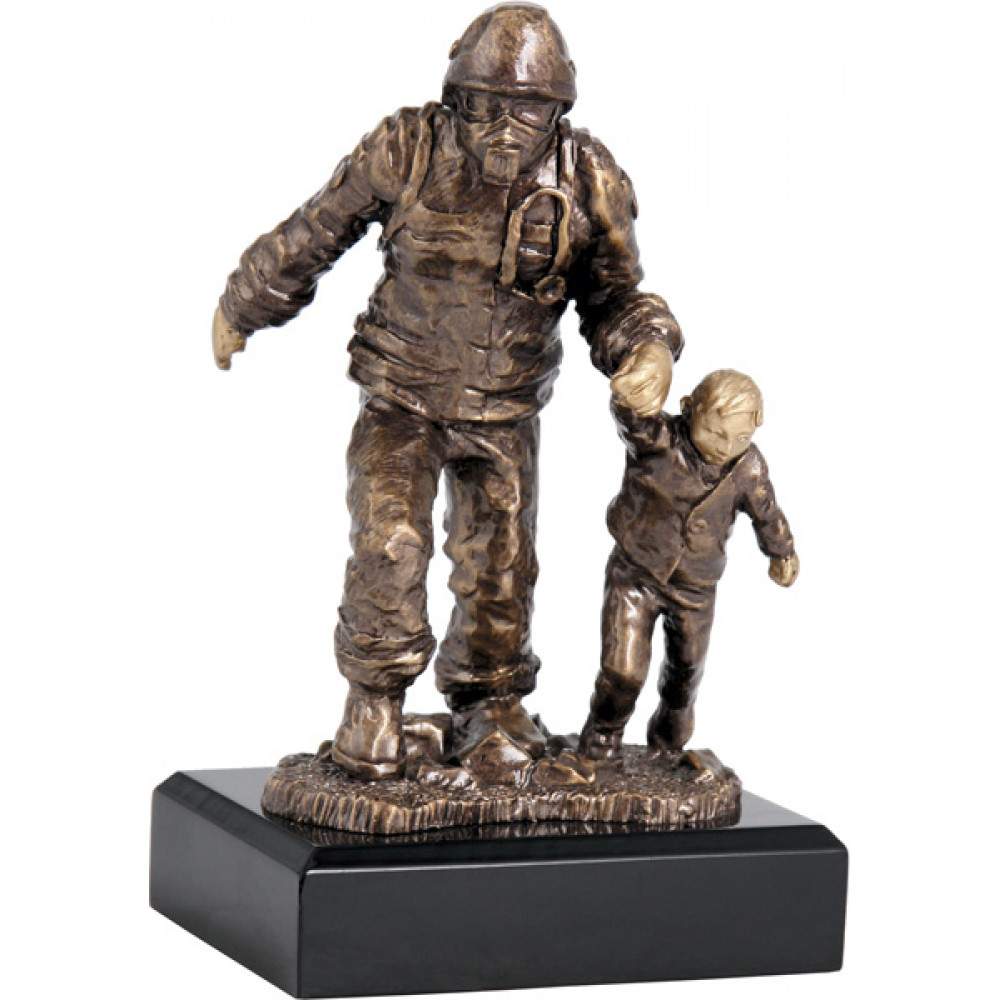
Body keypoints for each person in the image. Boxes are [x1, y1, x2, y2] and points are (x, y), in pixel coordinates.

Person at [212, 4, 682, 779]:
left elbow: (614, 294)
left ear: (557, 111)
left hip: (506, 404)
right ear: (455, 97)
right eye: (483, 105)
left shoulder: (586, 176)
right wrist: (245, 303)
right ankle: (375, 698)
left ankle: (489, 703)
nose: (503, 127)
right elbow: (317, 230)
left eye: (526, 110)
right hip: (402, 393)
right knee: (389, 541)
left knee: (501, 564)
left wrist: (647, 347)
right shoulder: (408, 148)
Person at [579, 369, 799, 761]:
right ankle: (602, 738)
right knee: (622, 671)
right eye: (715, 433)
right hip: (636, 575)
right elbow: (631, 417)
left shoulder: (748, 467)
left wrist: (781, 552)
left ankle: (668, 744)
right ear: (687, 410)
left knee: (685, 673)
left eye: (740, 438)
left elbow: (766, 513)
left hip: (697, 586)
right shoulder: (658, 440)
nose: (725, 447)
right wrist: (634, 390)